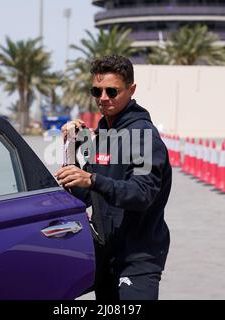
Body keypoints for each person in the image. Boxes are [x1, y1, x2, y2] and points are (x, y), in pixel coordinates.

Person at [54, 55, 172, 300]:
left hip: (138, 259)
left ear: (131, 89)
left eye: (112, 91)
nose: (103, 98)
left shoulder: (143, 136)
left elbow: (142, 194)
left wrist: (93, 179)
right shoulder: (106, 133)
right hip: (106, 255)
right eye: (96, 91)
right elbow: (86, 195)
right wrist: (71, 150)